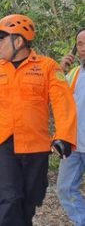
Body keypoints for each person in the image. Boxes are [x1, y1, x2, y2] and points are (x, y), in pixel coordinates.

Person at [0, 14, 77, 226]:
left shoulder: (48, 67)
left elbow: (63, 103)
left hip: (35, 146)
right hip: (1, 144)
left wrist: (63, 137)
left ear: (18, 41)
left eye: (1, 39)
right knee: (7, 201)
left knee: (27, 204)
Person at [57, 27, 85, 226]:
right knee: (65, 188)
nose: (83, 48)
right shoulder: (74, 73)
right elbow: (56, 97)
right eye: (80, 44)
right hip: (75, 144)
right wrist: (60, 71)